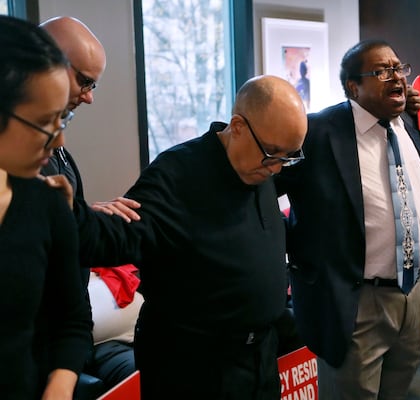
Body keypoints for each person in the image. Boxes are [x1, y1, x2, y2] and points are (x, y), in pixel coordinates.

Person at [68, 74, 307, 399]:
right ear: (237, 126)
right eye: (273, 155)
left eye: (288, 157)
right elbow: (118, 237)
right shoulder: (178, 174)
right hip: (195, 367)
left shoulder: (259, 164)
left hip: (258, 359)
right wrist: (68, 213)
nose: (278, 169)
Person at [275, 39, 420, 400]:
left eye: (399, 68)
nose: (397, 77)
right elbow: (266, 185)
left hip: (411, 294)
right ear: (354, 86)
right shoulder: (318, 132)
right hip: (355, 302)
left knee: (397, 391)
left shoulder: (405, 126)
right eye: (382, 71)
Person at [40, 17, 141, 393]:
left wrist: (83, 216)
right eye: (85, 81)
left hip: (63, 338)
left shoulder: (56, 145)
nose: (90, 96)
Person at [0, 15, 91, 399]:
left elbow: (72, 320)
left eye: (62, 118)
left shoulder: (47, 204)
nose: (58, 142)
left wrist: (61, 381)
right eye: (45, 122)